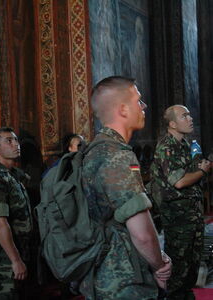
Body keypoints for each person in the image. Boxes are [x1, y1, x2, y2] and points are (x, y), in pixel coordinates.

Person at [80, 76, 172, 299]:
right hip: (124, 277)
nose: (144, 106)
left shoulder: (93, 150)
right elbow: (142, 233)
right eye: (138, 101)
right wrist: (159, 264)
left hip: (101, 272)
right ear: (122, 109)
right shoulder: (116, 155)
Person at [150, 105, 211, 300]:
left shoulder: (185, 144)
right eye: (184, 115)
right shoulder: (167, 147)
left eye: (190, 114)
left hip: (191, 214)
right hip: (178, 218)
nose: (190, 118)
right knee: (178, 270)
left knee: (192, 267)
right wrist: (203, 171)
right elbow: (180, 181)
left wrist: (201, 168)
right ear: (172, 124)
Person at [0, 127, 33, 299]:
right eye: (9, 141)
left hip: (21, 251)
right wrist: (15, 260)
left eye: (16, 140)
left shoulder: (12, 174)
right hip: (5, 259)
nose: (16, 144)